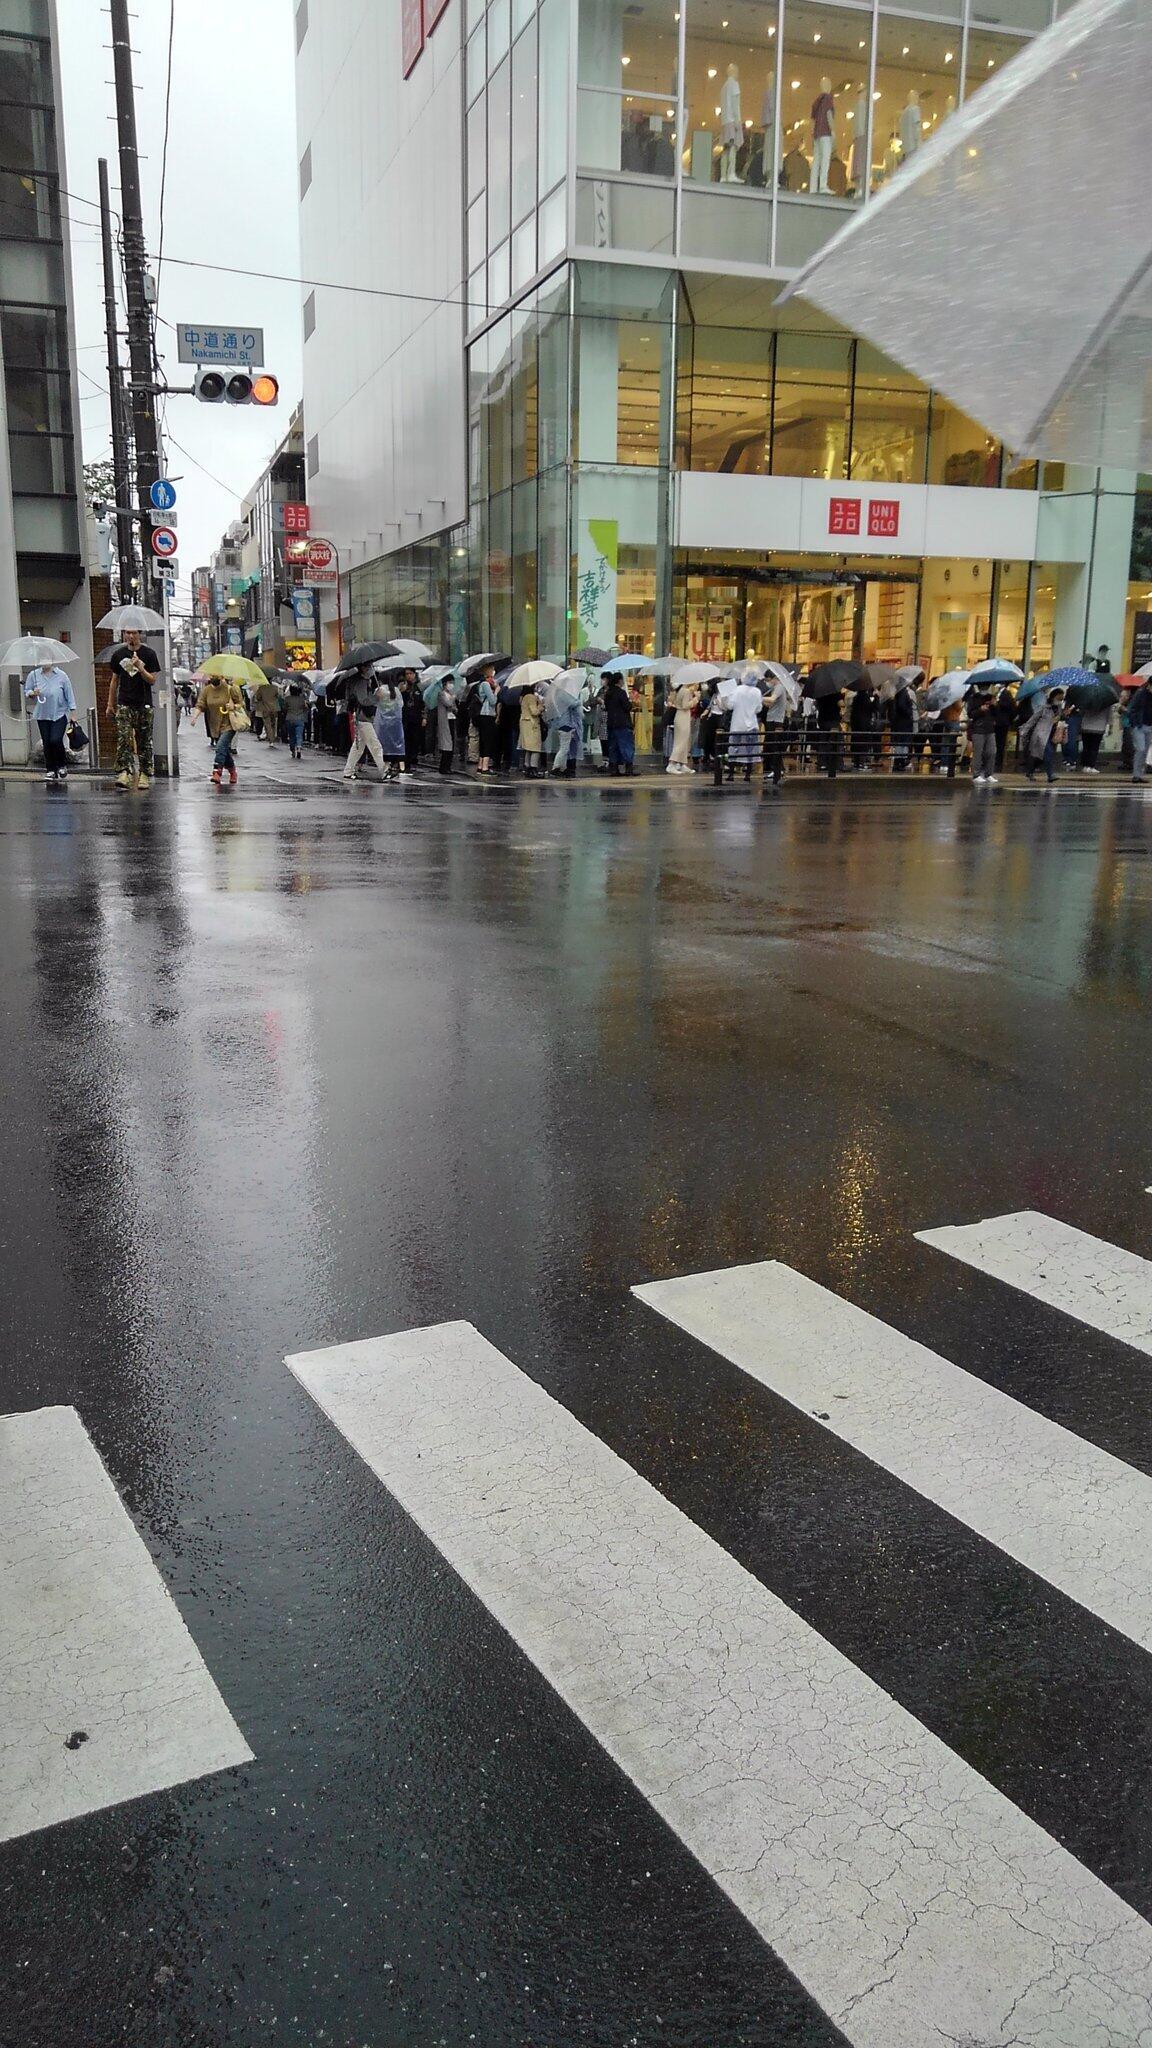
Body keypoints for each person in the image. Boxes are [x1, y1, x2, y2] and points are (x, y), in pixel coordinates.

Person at [105, 629, 159, 789]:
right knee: (124, 738)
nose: (130, 636)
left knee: (144, 740)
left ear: (139, 634)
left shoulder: (149, 654)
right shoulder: (119, 654)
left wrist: (140, 668)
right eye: (127, 633)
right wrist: (110, 704)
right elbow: (114, 680)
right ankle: (124, 771)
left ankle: (145, 773)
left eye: (134, 633)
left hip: (144, 704)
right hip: (124, 703)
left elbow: (152, 680)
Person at [25, 660, 76, 787]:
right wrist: (32, 693)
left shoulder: (61, 675)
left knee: (55, 740)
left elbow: (69, 695)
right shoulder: (34, 675)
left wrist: (72, 713)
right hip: (42, 715)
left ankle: (62, 764)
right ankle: (51, 769)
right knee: (47, 742)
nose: (45, 662)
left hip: (59, 714)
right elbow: (27, 691)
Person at [191, 673, 246, 788]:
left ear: (222, 676)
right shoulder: (206, 690)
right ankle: (232, 771)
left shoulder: (231, 689)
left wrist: (233, 707)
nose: (213, 678)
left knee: (220, 747)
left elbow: (241, 703)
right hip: (214, 725)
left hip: (229, 724)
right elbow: (200, 705)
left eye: (216, 676)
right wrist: (194, 717)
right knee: (224, 751)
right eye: (211, 676)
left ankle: (217, 772)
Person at [341, 661, 387, 782]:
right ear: (363, 668)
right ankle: (384, 770)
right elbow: (364, 700)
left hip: (359, 716)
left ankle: (348, 770)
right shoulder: (361, 681)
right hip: (362, 717)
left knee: (358, 747)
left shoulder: (355, 680)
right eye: (369, 667)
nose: (371, 669)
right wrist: (377, 696)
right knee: (375, 745)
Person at [1021, 689, 1064, 785]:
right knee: (1048, 752)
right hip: (1041, 734)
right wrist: (1024, 730)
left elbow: (1059, 718)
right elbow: (1033, 719)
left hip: (1052, 734)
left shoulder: (1059, 708)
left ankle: (1030, 771)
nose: (1060, 700)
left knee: (1039, 756)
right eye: (1059, 697)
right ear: (1054, 696)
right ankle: (1050, 775)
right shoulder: (1044, 707)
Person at [725, 675, 763, 782]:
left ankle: (731, 774)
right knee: (750, 750)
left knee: (734, 748)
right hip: (752, 724)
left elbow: (730, 705)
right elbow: (759, 709)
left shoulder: (737, 690)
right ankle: (747, 775)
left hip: (737, 724)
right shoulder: (757, 691)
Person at [374, 673, 407, 780]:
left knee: (384, 744)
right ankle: (399, 766)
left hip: (383, 723)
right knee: (396, 744)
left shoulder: (379, 690)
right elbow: (401, 704)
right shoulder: (396, 690)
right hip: (395, 722)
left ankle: (386, 766)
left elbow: (374, 703)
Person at [603, 675, 636, 776]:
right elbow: (627, 707)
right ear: (619, 681)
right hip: (622, 723)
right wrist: (630, 700)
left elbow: (607, 707)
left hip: (611, 723)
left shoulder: (608, 693)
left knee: (613, 747)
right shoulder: (621, 693)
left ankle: (614, 768)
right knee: (626, 746)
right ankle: (628, 768)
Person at [761, 672, 789, 786]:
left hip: (776, 720)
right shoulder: (776, 688)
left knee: (774, 745)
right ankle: (776, 769)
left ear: (773, 679)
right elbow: (770, 704)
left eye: (768, 680)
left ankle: (777, 770)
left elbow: (772, 700)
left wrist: (760, 696)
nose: (767, 683)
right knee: (771, 745)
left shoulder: (779, 688)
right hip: (772, 718)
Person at [666, 677, 698, 774]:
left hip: (681, 716)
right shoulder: (686, 691)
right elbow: (685, 705)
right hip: (683, 716)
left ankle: (682, 763)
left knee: (684, 741)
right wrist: (695, 700)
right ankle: (671, 764)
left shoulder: (681, 690)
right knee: (681, 741)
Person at [967, 688, 999, 783]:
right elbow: (971, 714)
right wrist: (980, 710)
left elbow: (997, 714)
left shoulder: (991, 698)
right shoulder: (974, 698)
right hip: (978, 729)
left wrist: (995, 705)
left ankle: (989, 773)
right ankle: (976, 774)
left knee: (991, 751)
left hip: (990, 729)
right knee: (978, 752)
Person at [1126, 675, 1152, 782]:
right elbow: (1131, 709)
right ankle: (1136, 775)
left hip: (1150, 726)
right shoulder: (1141, 694)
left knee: (1145, 751)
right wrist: (1135, 723)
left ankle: (1139, 774)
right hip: (1139, 726)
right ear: (1149, 685)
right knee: (1140, 749)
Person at [849, 682, 881, 770]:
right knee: (863, 744)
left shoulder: (856, 698)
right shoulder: (865, 698)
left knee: (856, 743)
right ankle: (861, 764)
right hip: (864, 725)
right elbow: (874, 708)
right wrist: (877, 697)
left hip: (856, 725)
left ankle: (856, 763)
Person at [887, 678, 917, 772]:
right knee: (903, 742)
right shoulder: (903, 693)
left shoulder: (897, 692)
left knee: (901, 742)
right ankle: (900, 761)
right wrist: (909, 712)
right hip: (904, 722)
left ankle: (899, 761)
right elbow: (902, 706)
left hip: (899, 722)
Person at [475, 666, 499, 773]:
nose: (493, 672)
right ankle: (485, 767)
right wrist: (496, 691)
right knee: (487, 740)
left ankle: (481, 765)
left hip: (483, 715)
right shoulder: (485, 684)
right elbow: (493, 701)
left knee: (483, 740)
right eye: (492, 670)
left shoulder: (483, 684)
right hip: (487, 714)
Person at [519, 681, 545, 775]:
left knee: (528, 747)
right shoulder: (530, 697)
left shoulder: (523, 697)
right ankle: (533, 768)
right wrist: (541, 706)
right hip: (532, 725)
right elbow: (534, 712)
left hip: (525, 724)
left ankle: (527, 766)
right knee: (535, 748)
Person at [281, 674, 309, 758]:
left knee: (292, 735)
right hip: (300, 718)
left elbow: (284, 708)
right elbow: (305, 708)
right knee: (299, 734)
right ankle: (299, 747)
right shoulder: (302, 699)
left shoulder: (287, 699)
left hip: (289, 718)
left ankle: (292, 749)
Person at [402, 675, 424, 772]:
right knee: (406, 742)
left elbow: (422, 703)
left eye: (411, 674)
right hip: (405, 719)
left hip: (416, 719)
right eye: (407, 674)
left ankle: (411, 760)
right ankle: (405, 764)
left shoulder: (418, 688)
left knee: (415, 741)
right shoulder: (402, 688)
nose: (409, 676)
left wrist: (424, 717)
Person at [993, 685, 1016, 774]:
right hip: (997, 722)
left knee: (1001, 743)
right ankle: (996, 760)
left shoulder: (1007, 693)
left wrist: (998, 703)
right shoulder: (997, 693)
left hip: (1003, 722)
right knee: (996, 742)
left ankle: (999, 761)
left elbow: (1009, 706)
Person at [436, 675, 457, 772]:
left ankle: (448, 766)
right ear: (445, 684)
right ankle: (443, 767)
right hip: (445, 721)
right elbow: (448, 704)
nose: (451, 685)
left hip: (452, 719)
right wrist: (453, 699)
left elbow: (454, 708)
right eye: (450, 682)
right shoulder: (441, 694)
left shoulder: (451, 694)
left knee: (451, 742)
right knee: (446, 744)